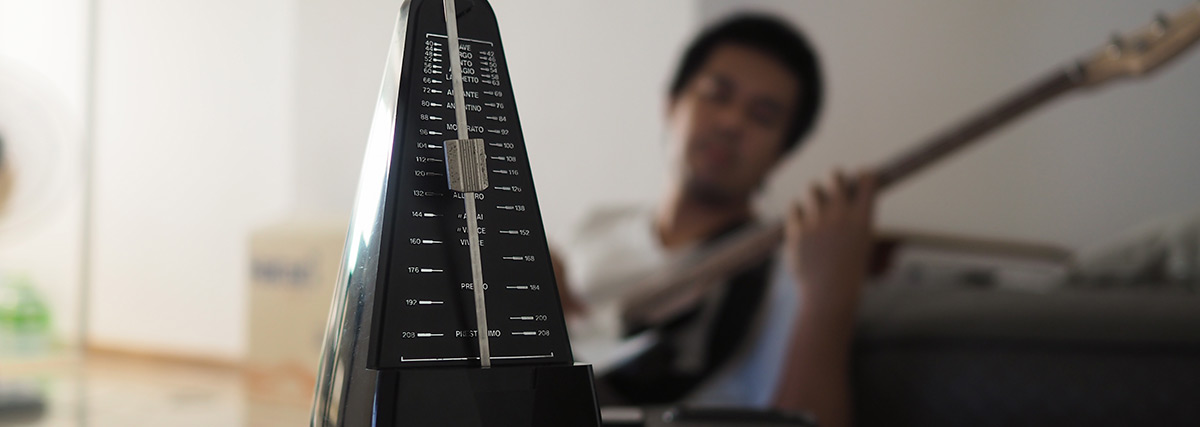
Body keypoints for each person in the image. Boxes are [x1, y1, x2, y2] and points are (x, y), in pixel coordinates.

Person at [550, 15, 877, 427]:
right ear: (670, 103)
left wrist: (831, 301)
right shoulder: (589, 229)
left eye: (762, 116)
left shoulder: (795, 269)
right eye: (716, 94)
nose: (731, 123)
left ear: (783, 152)